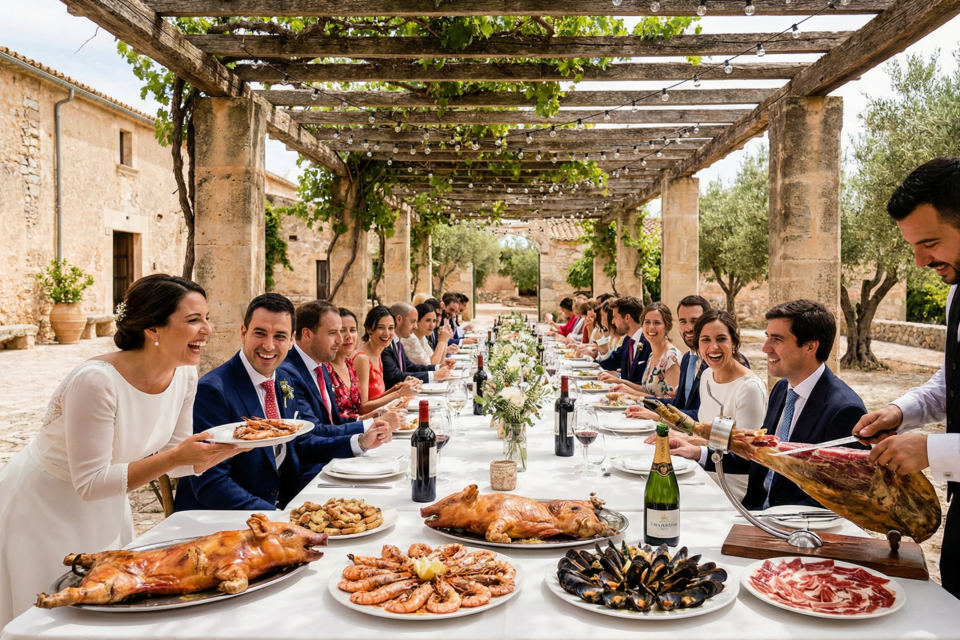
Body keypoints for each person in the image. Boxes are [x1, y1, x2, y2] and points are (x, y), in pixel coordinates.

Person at [0, 274, 240, 627]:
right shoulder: (96, 381)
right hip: (44, 506)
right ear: (153, 329)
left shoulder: (185, 375)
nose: (207, 329)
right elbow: (90, 482)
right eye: (193, 320)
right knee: (47, 618)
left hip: (108, 505)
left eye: (206, 318)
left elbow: (175, 459)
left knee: (105, 609)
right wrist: (177, 457)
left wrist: (231, 448)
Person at [850, 157, 960, 599]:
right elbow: (950, 380)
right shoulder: (957, 294)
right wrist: (903, 412)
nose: (918, 261)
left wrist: (932, 449)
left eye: (929, 243)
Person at [173, 294, 393, 513]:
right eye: (260, 333)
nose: (268, 346)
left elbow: (302, 444)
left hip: (284, 501)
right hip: (223, 519)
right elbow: (210, 484)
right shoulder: (213, 390)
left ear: (291, 340)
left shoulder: (283, 380)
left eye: (279, 336)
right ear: (243, 333)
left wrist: (361, 442)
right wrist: (277, 517)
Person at [648, 309, 767, 500]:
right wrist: (663, 421)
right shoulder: (706, 375)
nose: (713, 347)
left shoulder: (749, 388)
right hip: (704, 467)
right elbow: (700, 427)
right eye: (705, 340)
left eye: (721, 339)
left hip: (732, 481)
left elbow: (745, 456)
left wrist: (694, 446)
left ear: (734, 342)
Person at [627, 295, 713, 421]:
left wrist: (657, 415)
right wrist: (642, 402)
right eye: (683, 321)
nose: (688, 328)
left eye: (694, 321)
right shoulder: (687, 359)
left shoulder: (713, 362)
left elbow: (706, 415)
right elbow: (678, 404)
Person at [352, 305, 421, 414]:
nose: (387, 333)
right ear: (369, 329)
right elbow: (362, 407)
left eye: (390, 328)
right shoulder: (362, 359)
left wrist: (399, 387)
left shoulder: (378, 353)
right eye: (381, 327)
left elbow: (375, 398)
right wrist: (398, 394)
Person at [611, 302, 681, 398]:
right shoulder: (652, 355)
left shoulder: (671, 358)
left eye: (657, 323)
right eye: (647, 322)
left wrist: (634, 394)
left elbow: (672, 402)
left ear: (667, 327)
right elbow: (647, 390)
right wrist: (620, 382)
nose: (651, 327)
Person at [383, 302, 456, 389]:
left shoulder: (398, 341)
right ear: (399, 320)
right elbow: (395, 376)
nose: (415, 327)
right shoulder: (386, 344)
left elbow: (411, 367)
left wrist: (438, 367)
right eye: (413, 322)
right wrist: (433, 375)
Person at [597, 296, 652, 386]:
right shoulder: (627, 340)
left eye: (615, 317)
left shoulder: (649, 342)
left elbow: (646, 385)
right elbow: (612, 363)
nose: (613, 322)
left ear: (627, 318)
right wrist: (604, 350)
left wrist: (619, 380)